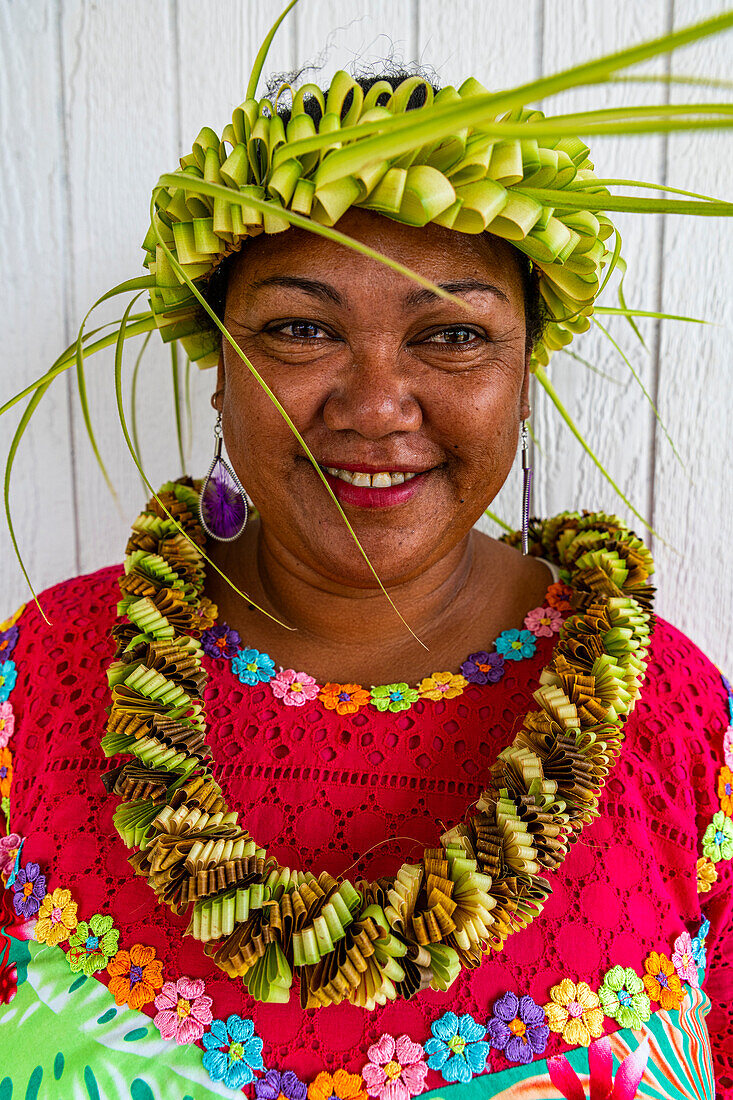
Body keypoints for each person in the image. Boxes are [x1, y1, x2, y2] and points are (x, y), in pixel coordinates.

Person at [1, 12, 732, 1099]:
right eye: (302, 329)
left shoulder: (666, 711)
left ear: (524, 374)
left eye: (451, 335)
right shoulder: (44, 678)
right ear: (216, 365)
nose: (378, 405)